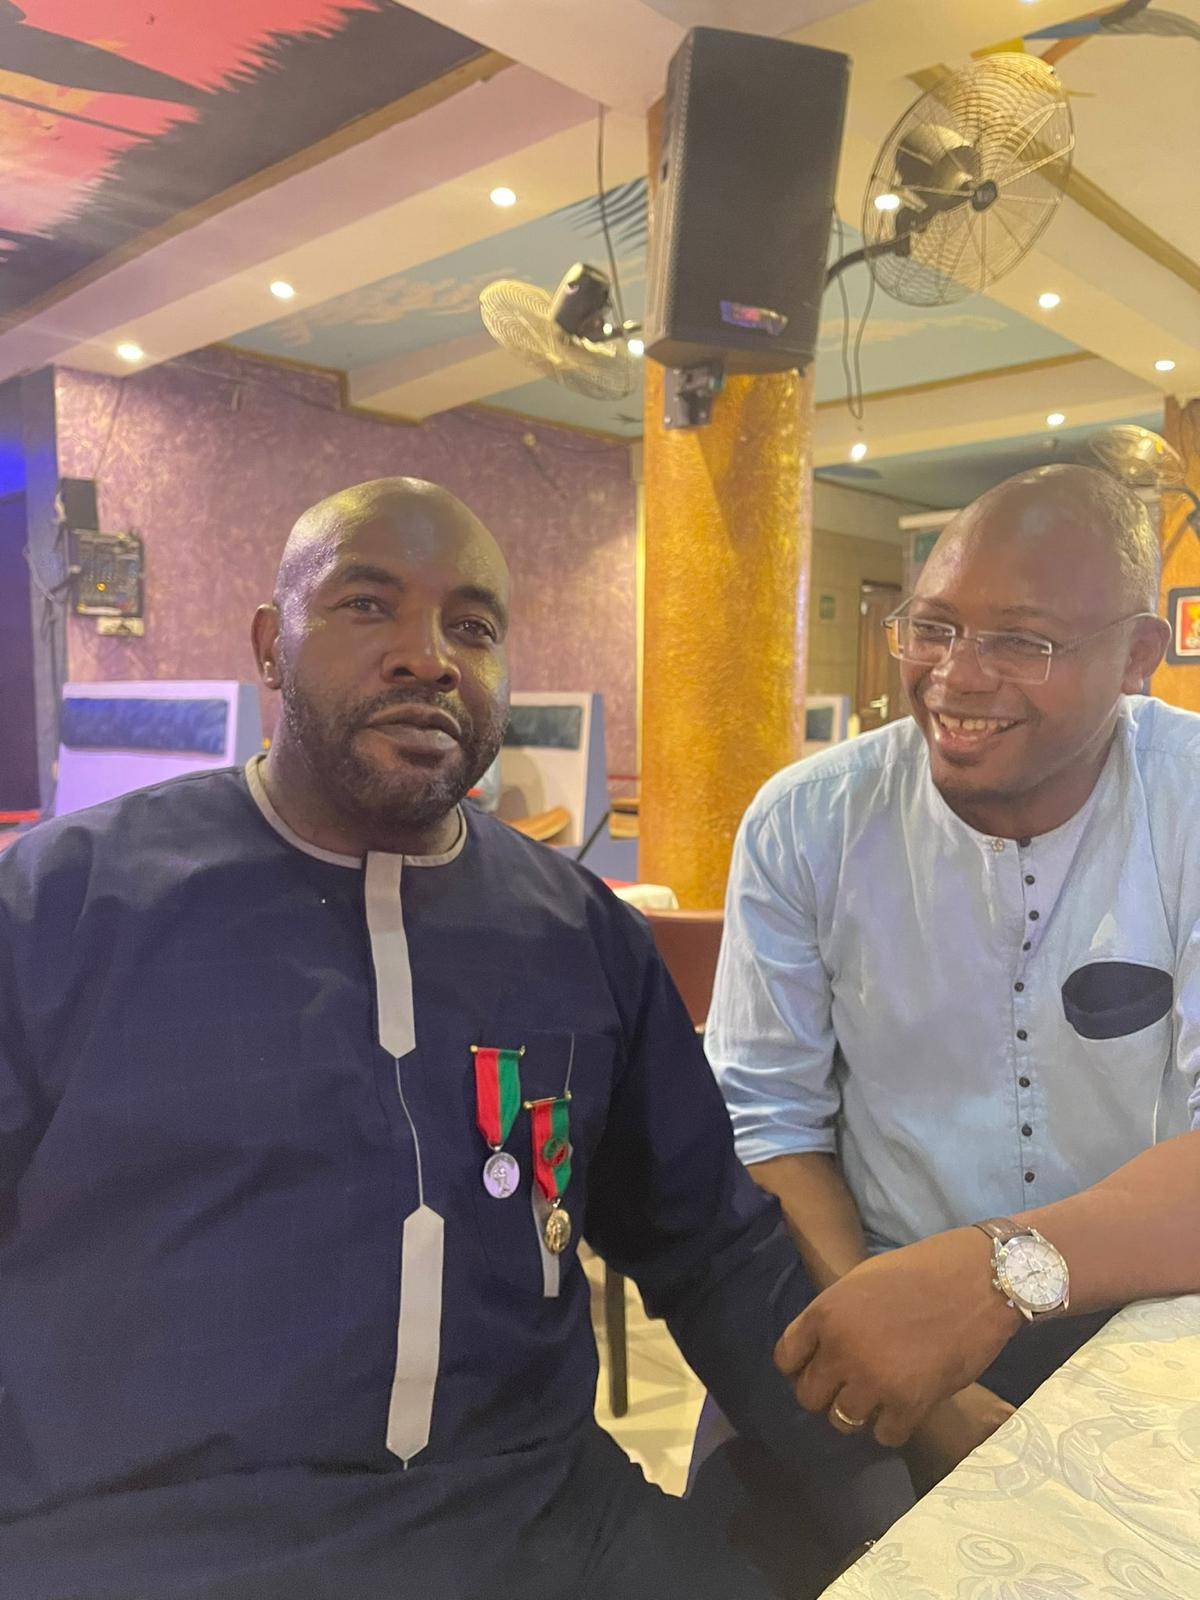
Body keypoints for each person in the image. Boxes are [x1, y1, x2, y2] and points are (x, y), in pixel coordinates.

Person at [0, 479, 817, 1600]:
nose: (428, 658)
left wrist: (901, 1469)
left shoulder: (578, 934)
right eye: (367, 605)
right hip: (144, 1540)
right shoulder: (66, 903)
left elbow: (712, 1250)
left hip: (537, 1517)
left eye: (471, 627)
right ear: (271, 646)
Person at [697, 464, 1200, 1554]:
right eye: (932, 627)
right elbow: (770, 1130)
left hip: (1153, 1299)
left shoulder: (1191, 805)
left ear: (1136, 656)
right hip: (859, 1279)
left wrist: (995, 1277)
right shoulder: (808, 822)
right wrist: (920, 1387)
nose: (956, 676)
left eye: (1023, 640)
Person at [775, 1128, 1200, 1439]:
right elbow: (776, 1122)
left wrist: (989, 1280)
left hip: (1148, 1301)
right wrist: (878, 1339)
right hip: (882, 1289)